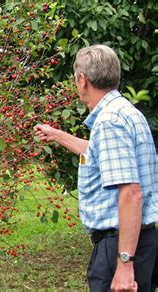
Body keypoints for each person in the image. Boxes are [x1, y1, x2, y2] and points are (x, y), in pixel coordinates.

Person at [34, 44, 158, 291]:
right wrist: (57, 135)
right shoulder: (126, 113)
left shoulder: (110, 122)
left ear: (82, 80)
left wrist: (124, 264)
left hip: (119, 245)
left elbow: (131, 192)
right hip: (140, 241)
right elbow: (101, 153)